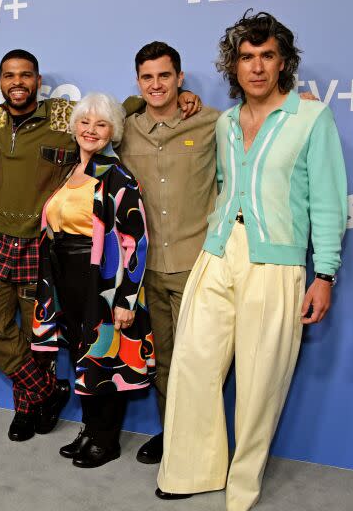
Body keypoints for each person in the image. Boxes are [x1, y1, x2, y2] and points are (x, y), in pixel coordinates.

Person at [156, 11, 347, 510]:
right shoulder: (223, 122)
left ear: (284, 62)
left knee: (261, 381)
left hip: (276, 263)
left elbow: (328, 201)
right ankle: (192, 470)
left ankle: (242, 486)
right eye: (246, 57)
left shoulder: (311, 117)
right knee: (193, 365)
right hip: (218, 252)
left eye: (267, 56)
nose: (257, 67)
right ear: (233, 65)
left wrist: (324, 273)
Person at [0, 49, 200, 442]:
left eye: (26, 75)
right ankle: (54, 399)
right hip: (31, 258)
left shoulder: (91, 148)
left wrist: (173, 97)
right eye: (9, 75)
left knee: (79, 348)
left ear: (39, 81)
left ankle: (69, 423)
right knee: (25, 335)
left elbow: (133, 239)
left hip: (75, 269)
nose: (18, 82)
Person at [32, 93, 154, 467]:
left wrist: (126, 299)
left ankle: (106, 438)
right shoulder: (71, 170)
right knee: (82, 355)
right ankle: (88, 428)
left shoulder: (118, 176)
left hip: (101, 280)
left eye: (101, 124)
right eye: (85, 122)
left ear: (113, 131)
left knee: (105, 357)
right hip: (65, 276)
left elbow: (137, 241)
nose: (91, 130)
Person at [116, 42, 220, 463]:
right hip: (147, 272)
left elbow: (263, 125)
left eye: (165, 75)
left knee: (201, 363)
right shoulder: (124, 127)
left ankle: (202, 446)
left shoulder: (213, 123)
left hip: (199, 268)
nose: (156, 84)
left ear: (180, 78)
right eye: (147, 77)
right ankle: (172, 435)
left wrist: (300, 103)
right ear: (138, 83)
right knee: (162, 360)